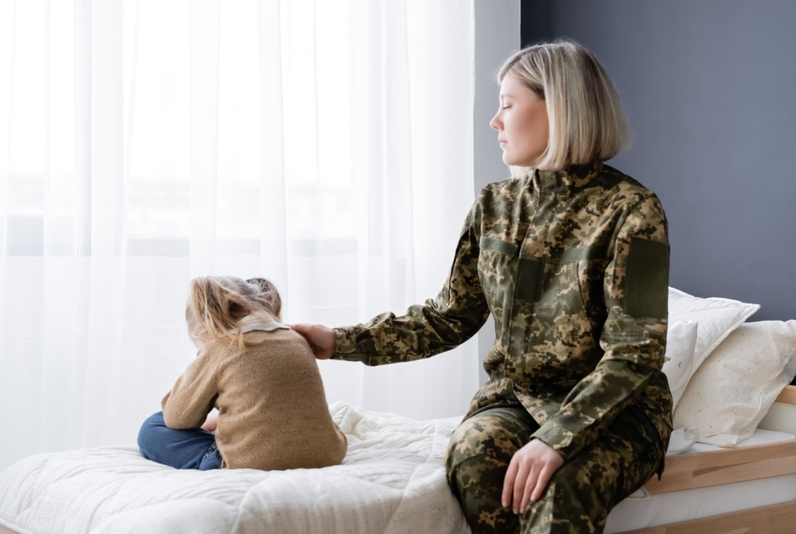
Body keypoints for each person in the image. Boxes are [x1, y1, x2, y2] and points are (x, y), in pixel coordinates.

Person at [292, 40, 672, 534]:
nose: (495, 121)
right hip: (517, 400)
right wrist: (337, 341)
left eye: (508, 105)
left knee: (558, 490)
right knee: (471, 455)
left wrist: (557, 439)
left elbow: (635, 352)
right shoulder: (494, 206)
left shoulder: (634, 210)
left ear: (559, 106)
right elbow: (450, 315)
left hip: (615, 412)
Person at [137, 276, 347, 471]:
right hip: (329, 454)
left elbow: (177, 418)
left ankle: (215, 452)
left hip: (253, 461)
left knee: (153, 427)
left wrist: (202, 360)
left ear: (205, 329)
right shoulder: (296, 339)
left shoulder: (220, 348)